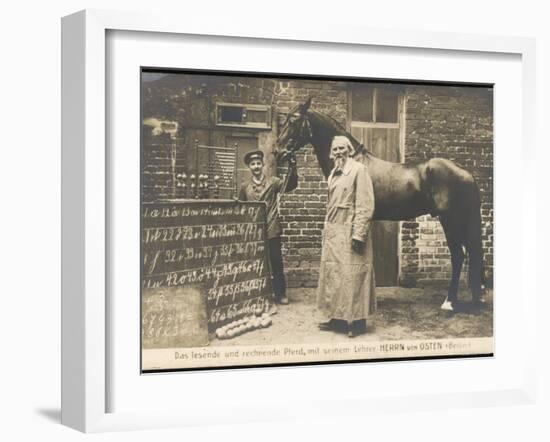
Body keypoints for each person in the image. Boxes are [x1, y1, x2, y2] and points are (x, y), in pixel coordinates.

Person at [317, 135, 376, 337]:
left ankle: (357, 323)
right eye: (335, 149)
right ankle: (337, 318)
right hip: (334, 232)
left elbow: (365, 205)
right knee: (334, 275)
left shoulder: (359, 170)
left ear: (349, 150)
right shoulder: (333, 172)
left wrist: (359, 234)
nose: (338, 152)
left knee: (354, 276)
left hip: (351, 231)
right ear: (331, 153)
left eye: (342, 148)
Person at [239, 150, 298, 305]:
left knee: (276, 261)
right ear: (249, 167)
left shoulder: (273, 182)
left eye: (258, 163)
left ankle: (281, 294)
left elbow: (290, 185)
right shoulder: (245, 187)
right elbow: (240, 209)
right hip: (254, 231)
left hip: (272, 228)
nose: (256, 166)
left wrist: (293, 166)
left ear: (263, 165)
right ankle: (257, 293)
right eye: (253, 164)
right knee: (255, 262)